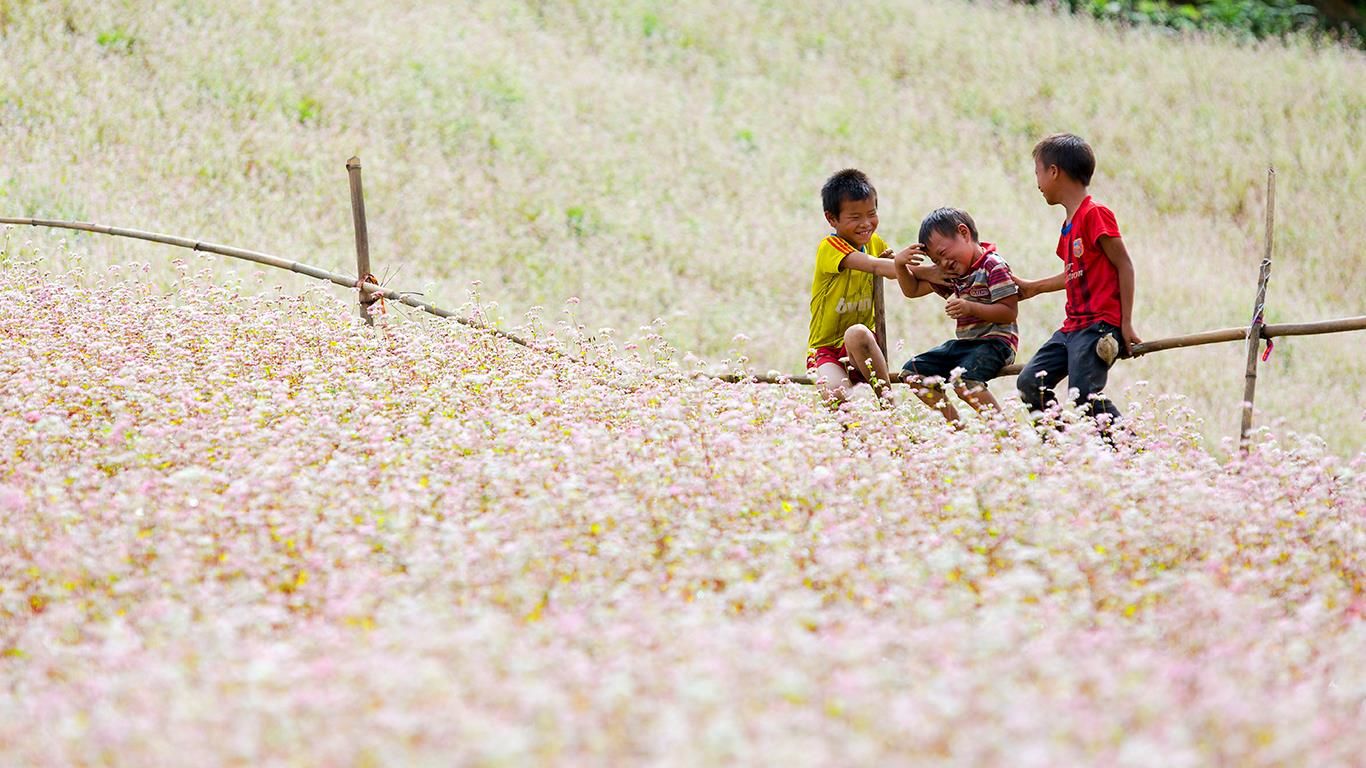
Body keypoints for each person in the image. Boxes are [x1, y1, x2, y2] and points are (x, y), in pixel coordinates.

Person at [1013, 133, 1141, 426]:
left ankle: (1128, 453)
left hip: (1098, 326)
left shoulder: (1095, 214)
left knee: (1084, 396)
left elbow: (1124, 264)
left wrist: (1125, 324)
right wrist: (1033, 288)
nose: (1037, 183)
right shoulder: (1068, 227)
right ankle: (1061, 451)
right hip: (1072, 327)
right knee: (1030, 382)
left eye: (1038, 173)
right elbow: (1074, 274)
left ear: (1054, 172)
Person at [893, 208, 1019, 425]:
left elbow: (1009, 312)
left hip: (996, 343)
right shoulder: (956, 274)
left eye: (943, 253)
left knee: (963, 381)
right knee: (911, 372)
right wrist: (899, 265)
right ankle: (956, 426)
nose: (943, 264)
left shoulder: (993, 265)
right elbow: (912, 290)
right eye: (936, 260)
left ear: (964, 233)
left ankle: (1004, 432)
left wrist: (971, 308)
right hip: (966, 346)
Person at [806, 169, 921, 402]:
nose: (866, 224)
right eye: (855, 217)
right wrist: (898, 264)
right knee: (836, 394)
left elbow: (898, 271)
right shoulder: (830, 247)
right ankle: (856, 437)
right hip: (826, 350)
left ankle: (888, 408)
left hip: (861, 347)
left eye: (871, 214)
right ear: (832, 219)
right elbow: (879, 266)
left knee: (857, 333)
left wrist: (934, 273)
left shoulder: (874, 243)